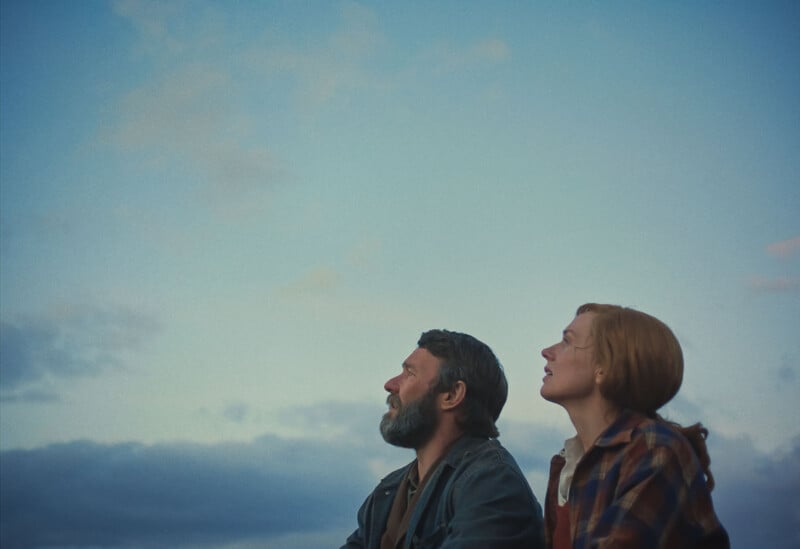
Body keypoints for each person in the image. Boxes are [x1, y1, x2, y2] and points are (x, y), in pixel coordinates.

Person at [539, 303, 730, 548]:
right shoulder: (567, 467)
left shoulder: (656, 451)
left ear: (604, 368)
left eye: (567, 341)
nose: (547, 351)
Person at [342, 329, 544, 549]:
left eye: (409, 373)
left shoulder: (492, 481)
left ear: (451, 395)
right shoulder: (388, 491)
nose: (390, 384)